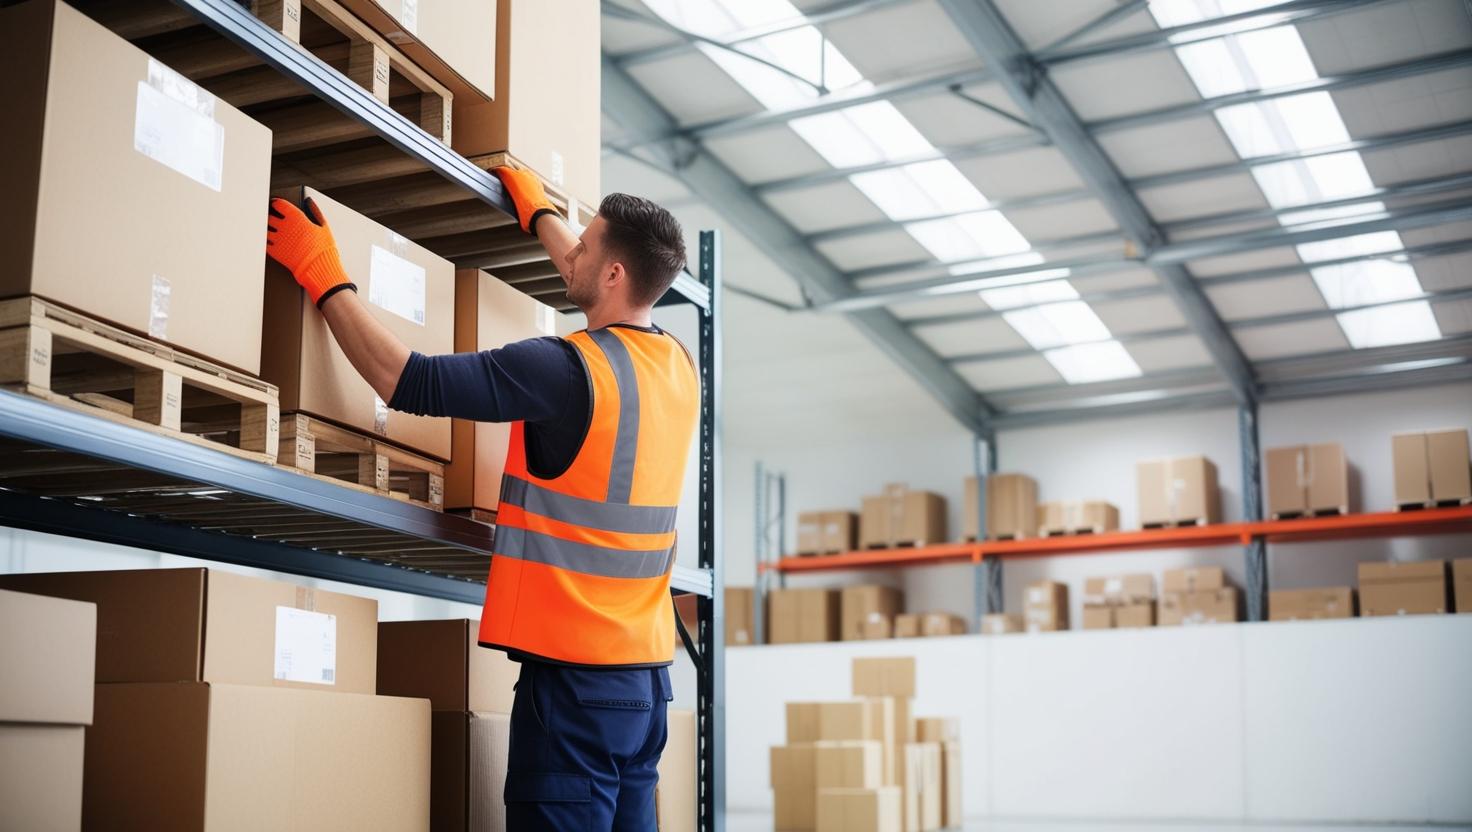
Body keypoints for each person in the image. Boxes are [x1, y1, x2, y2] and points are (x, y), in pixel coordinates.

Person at [265, 167, 699, 830]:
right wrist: (540, 215)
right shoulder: (676, 368)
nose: (571, 254)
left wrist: (326, 276)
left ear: (613, 273)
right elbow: (597, 274)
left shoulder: (562, 367)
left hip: (574, 689)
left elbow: (405, 380)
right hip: (644, 686)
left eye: (584, 246)